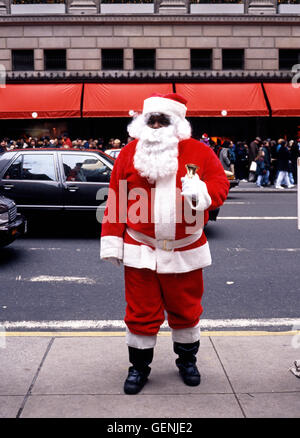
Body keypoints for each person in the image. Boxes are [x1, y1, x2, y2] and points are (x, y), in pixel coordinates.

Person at [100, 93, 229, 395]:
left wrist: (202, 190)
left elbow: (220, 186)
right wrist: (112, 241)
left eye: (163, 120)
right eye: (151, 120)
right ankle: (139, 368)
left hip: (185, 248)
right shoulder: (129, 153)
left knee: (186, 311)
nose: (156, 125)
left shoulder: (199, 152)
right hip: (140, 248)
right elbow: (117, 199)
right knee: (140, 312)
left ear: (178, 123)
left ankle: (187, 362)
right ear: (142, 123)